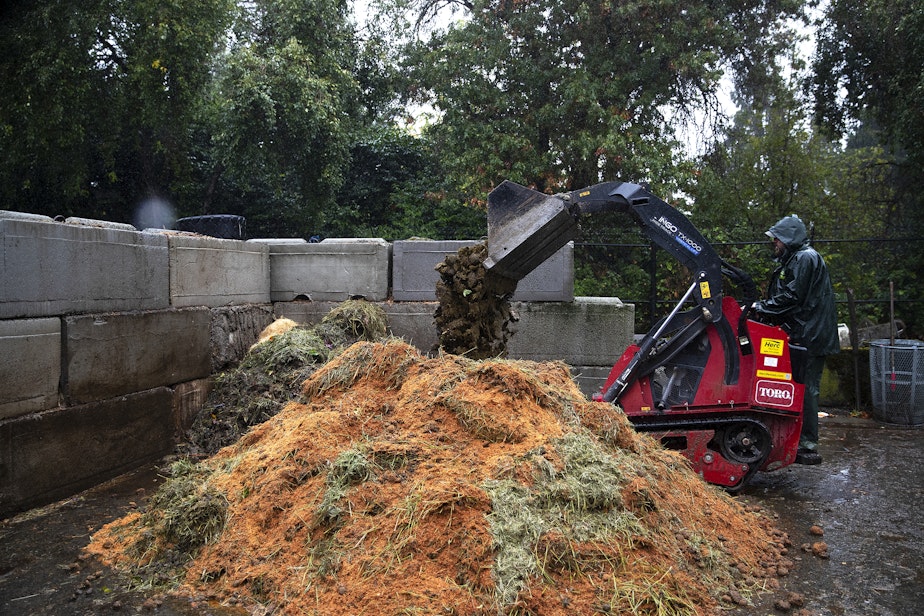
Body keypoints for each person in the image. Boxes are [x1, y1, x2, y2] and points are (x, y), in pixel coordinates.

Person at [753, 215, 839, 465]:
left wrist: (763, 308)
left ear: (789, 238)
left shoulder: (804, 258)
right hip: (807, 331)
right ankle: (798, 439)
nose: (775, 243)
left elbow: (792, 296)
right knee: (800, 387)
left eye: (777, 239)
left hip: (810, 335)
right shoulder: (798, 257)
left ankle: (807, 444)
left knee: (808, 389)